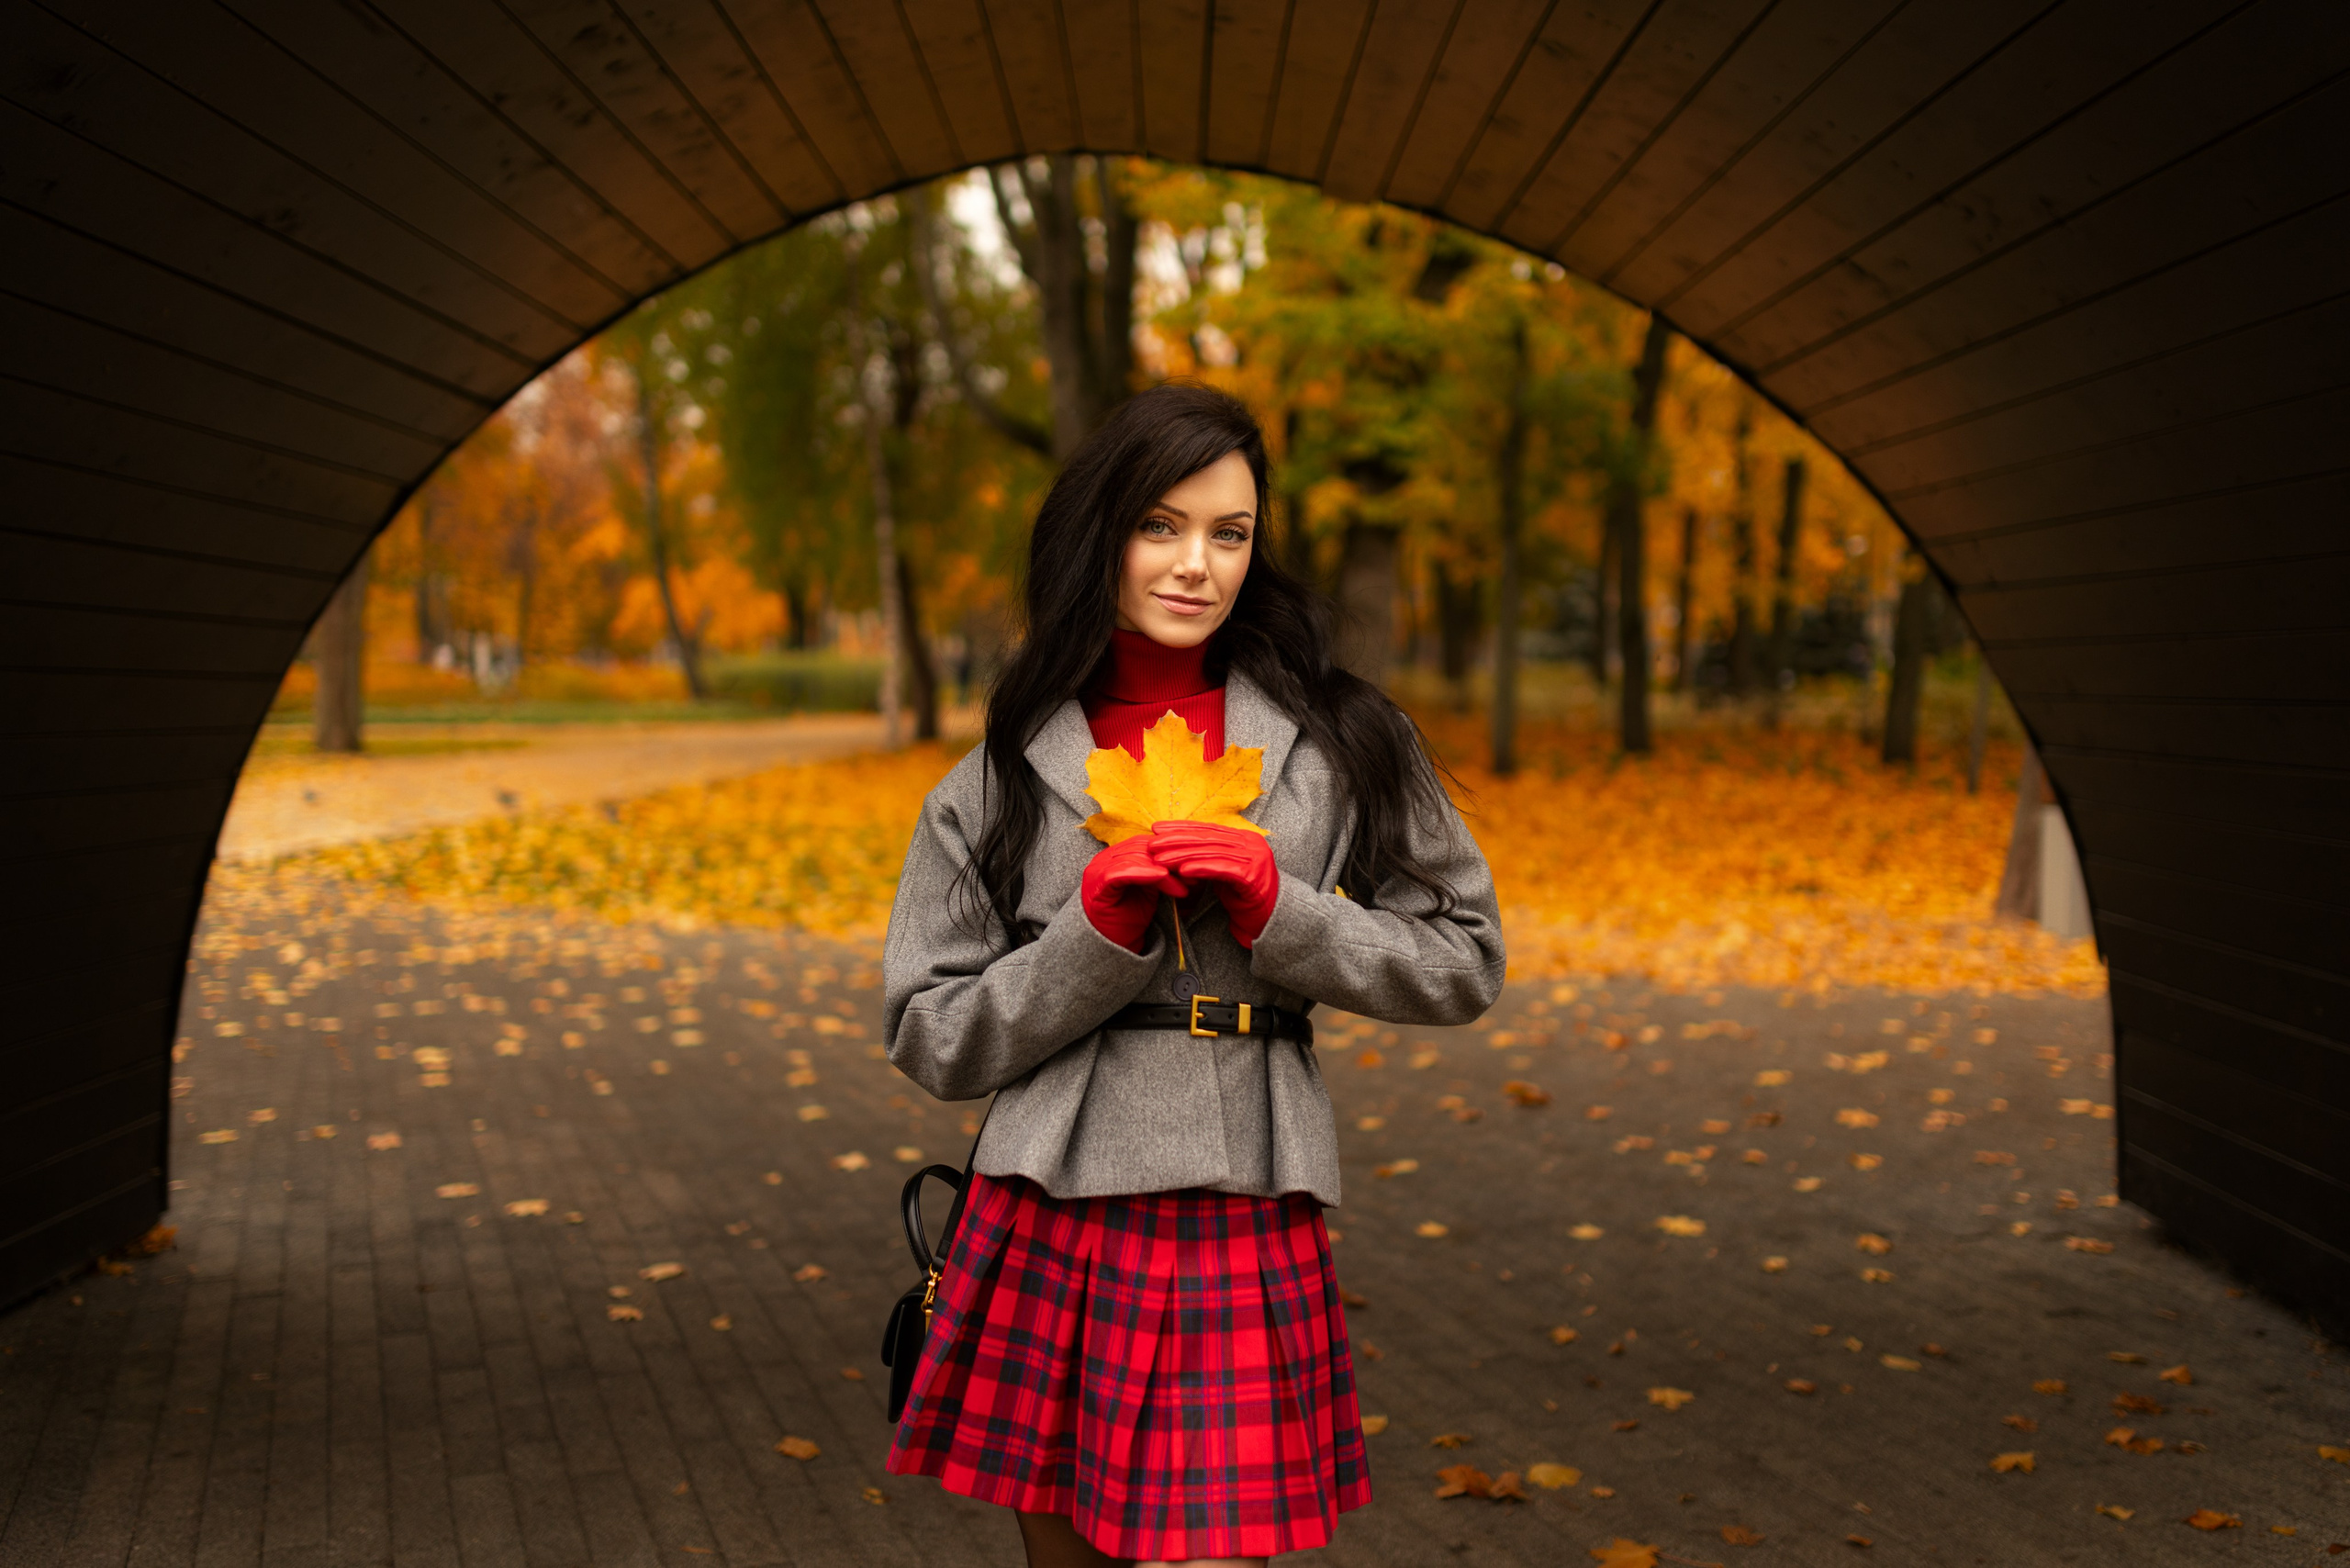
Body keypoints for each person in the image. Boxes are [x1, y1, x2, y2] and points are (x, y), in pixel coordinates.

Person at [881, 384, 1505, 1567]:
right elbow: (930, 1034)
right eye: (1161, 525)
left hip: (1243, 1189)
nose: (1196, 565)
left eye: (1230, 533)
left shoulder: (1343, 743)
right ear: (1098, 535)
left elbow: (1464, 960)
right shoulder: (1000, 774)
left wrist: (1287, 912)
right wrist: (1092, 937)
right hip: (1050, 1198)